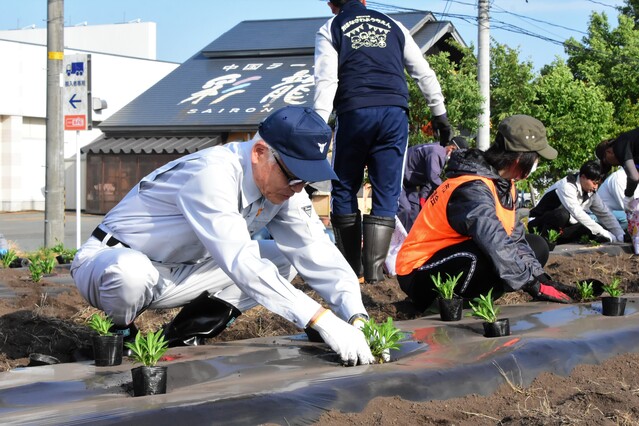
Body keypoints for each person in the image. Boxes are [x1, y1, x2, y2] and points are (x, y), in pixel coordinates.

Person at [70, 106, 375, 366]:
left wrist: (355, 316)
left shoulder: (282, 187)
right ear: (259, 153)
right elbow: (241, 262)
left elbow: (317, 250)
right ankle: (122, 331)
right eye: (294, 176)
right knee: (130, 272)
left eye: (306, 180)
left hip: (182, 271)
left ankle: (181, 335)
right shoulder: (212, 174)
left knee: (283, 259)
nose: (298, 188)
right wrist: (319, 318)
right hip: (110, 263)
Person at [313, 0, 452, 284]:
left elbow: (325, 82)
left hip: (354, 112)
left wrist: (316, 130)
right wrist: (440, 115)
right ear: (364, 0)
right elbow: (423, 72)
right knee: (387, 192)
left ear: (331, 5)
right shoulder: (395, 26)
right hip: (393, 114)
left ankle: (351, 274)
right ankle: (376, 275)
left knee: (343, 189)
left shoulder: (331, 28)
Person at [396, 115, 576, 312]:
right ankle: (444, 304)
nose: (537, 163)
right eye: (536, 158)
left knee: (537, 246)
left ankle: (475, 295)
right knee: (485, 253)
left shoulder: (505, 185)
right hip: (419, 272)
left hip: (456, 258)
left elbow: (514, 238)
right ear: (519, 158)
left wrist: (541, 279)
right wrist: (532, 286)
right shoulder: (471, 187)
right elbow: (493, 239)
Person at [527, 160, 625, 245]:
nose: (596, 187)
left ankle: (559, 240)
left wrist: (619, 234)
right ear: (583, 177)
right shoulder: (567, 186)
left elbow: (604, 213)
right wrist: (603, 232)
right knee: (562, 215)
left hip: (562, 227)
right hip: (539, 224)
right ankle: (546, 241)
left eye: (598, 184)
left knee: (595, 228)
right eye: (594, 183)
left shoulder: (591, 193)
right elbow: (577, 213)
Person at [397, 136, 469, 232]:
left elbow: (428, 181)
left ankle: (411, 240)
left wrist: (423, 198)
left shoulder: (440, 153)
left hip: (410, 183)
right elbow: (433, 177)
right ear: (452, 148)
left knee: (415, 211)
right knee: (405, 209)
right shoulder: (437, 152)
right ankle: (399, 241)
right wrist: (450, 192)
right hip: (398, 177)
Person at [595, 127, 639, 212]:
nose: (611, 165)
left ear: (608, 152)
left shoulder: (620, 145)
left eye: (606, 161)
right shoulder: (634, 154)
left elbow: (634, 177)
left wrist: (628, 197)